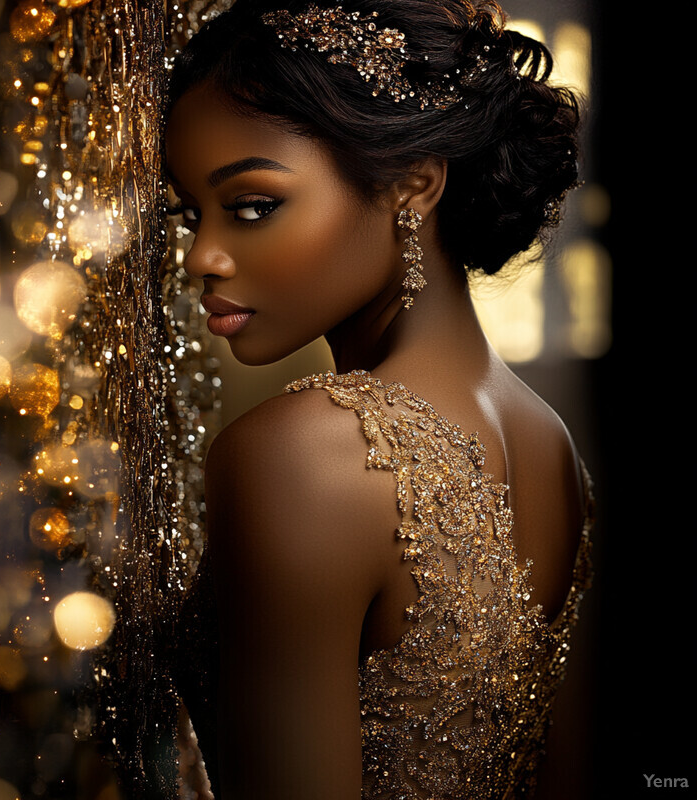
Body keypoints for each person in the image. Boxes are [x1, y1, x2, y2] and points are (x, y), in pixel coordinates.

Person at [167, 1, 593, 798]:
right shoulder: (551, 443)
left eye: (252, 205)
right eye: (189, 214)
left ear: (412, 185)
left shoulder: (304, 452)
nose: (202, 256)